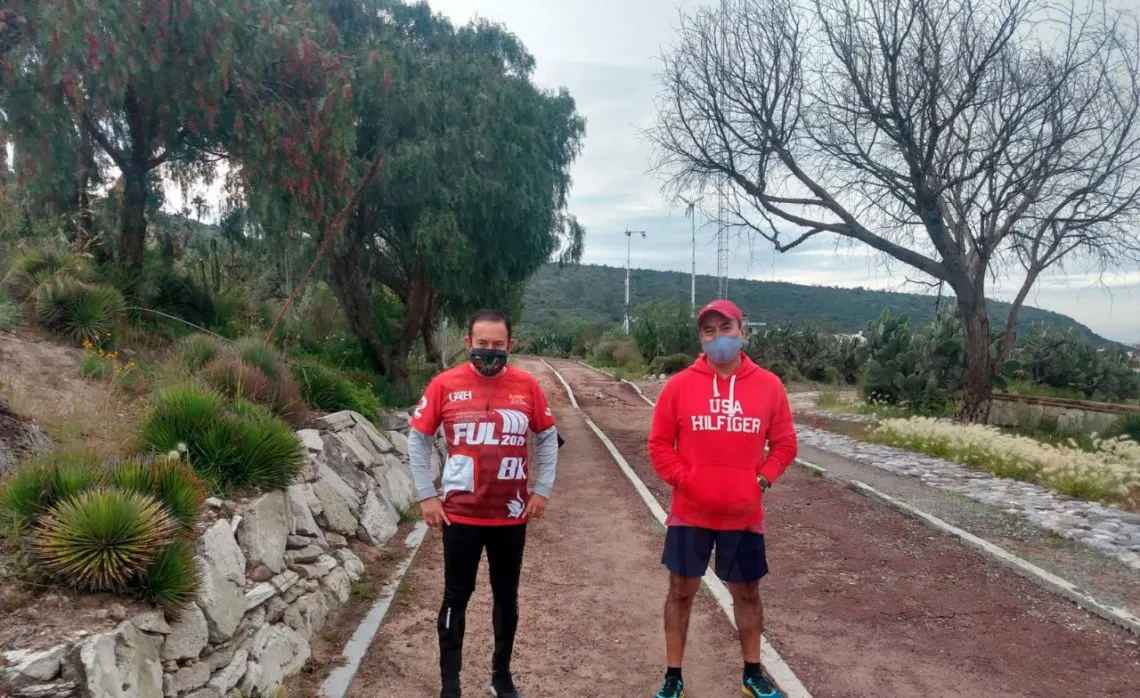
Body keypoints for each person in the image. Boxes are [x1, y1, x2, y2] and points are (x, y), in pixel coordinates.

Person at [647, 299, 798, 698]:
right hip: (689, 513)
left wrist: (761, 481)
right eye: (709, 331)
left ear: (742, 331)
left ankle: (752, 675)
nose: (718, 338)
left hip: (743, 514)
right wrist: (686, 481)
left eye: (726, 328)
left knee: (747, 593)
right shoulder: (680, 386)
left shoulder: (769, 386)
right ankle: (673, 677)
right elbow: (659, 444)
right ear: (701, 337)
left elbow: (785, 444)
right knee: (680, 591)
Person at [407, 308, 560, 698]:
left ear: (510, 344)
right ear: (468, 343)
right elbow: (418, 439)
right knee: (455, 597)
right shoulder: (444, 384)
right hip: (460, 516)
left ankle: (501, 677)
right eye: (482, 344)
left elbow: (547, 436)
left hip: (510, 515)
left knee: (506, 596)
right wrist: (427, 495)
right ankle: (450, 685)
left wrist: (542, 489)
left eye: (497, 344)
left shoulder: (527, 386)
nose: (489, 351)